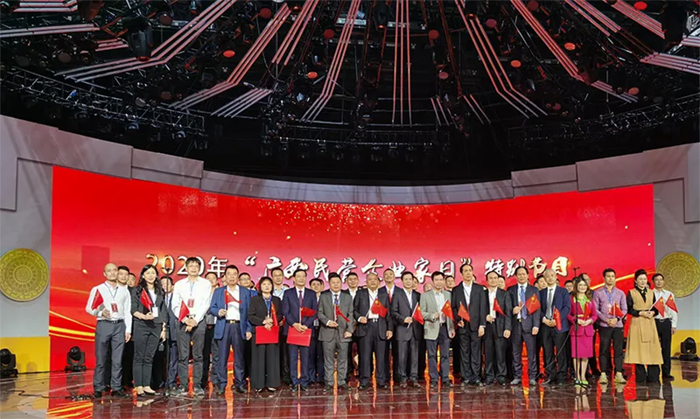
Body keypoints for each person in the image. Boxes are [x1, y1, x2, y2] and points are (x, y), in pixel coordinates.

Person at [86, 263, 132, 398]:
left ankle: (116, 387)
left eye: (114, 270)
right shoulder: (98, 289)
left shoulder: (124, 291)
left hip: (119, 325)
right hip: (104, 324)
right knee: (101, 358)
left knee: (117, 359)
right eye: (109, 271)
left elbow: (128, 311)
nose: (112, 273)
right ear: (104, 274)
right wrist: (100, 313)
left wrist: (128, 330)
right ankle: (98, 387)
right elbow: (89, 308)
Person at [171, 257, 213, 396]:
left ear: (200, 268)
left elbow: (206, 303)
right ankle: (183, 385)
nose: (194, 268)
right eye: (191, 266)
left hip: (198, 321)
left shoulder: (206, 284)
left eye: (196, 266)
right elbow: (175, 304)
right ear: (186, 268)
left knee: (198, 355)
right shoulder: (179, 284)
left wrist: (195, 320)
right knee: (183, 356)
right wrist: (185, 319)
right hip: (182, 321)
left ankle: (197, 385)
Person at [211, 265, 252, 394]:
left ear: (238, 276)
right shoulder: (219, 291)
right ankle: (222, 384)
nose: (232, 276)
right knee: (222, 358)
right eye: (229, 274)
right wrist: (218, 312)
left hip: (239, 326)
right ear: (225, 276)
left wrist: (249, 328)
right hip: (224, 325)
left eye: (234, 274)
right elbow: (212, 308)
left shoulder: (245, 292)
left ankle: (239, 383)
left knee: (239, 357)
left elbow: (250, 312)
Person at [131, 264, 167, 397]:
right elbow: (133, 309)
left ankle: (146, 385)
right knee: (139, 356)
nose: (151, 276)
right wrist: (144, 316)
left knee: (149, 356)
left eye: (153, 273)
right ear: (143, 276)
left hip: (156, 326)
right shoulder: (137, 290)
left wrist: (164, 328)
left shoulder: (160, 291)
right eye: (148, 273)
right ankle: (138, 385)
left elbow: (163, 310)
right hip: (141, 324)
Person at [354, 273, 393, 390]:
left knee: (381, 356)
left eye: (375, 279)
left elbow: (388, 313)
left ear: (379, 282)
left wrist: (389, 329)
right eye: (370, 279)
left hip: (380, 327)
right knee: (365, 356)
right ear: (366, 281)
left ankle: (381, 380)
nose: (372, 281)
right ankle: (364, 381)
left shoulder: (383, 295)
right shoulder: (360, 293)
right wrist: (359, 318)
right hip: (365, 326)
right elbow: (354, 309)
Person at [282, 269, 318, 393]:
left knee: (305, 357)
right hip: (292, 329)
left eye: (303, 276)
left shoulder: (311, 294)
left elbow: (314, 312)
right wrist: (295, 324)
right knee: (292, 358)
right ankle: (294, 382)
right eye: (298, 276)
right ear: (294, 279)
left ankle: (304, 381)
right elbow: (285, 311)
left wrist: (305, 325)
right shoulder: (288, 293)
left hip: (306, 330)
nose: (301, 278)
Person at [625, 269, 663, 384]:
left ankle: (653, 376)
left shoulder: (651, 293)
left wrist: (653, 312)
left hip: (650, 323)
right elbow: (629, 309)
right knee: (638, 350)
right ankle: (641, 377)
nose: (642, 281)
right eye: (640, 279)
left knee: (652, 349)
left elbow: (656, 307)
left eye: (644, 279)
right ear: (635, 281)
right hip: (637, 322)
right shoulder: (631, 293)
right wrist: (640, 313)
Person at [452, 263, 487, 387]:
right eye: (465, 271)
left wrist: (482, 325)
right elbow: (454, 307)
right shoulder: (456, 290)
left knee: (476, 352)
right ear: (461, 274)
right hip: (463, 325)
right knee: (464, 352)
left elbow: (483, 308)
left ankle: (476, 377)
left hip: (476, 325)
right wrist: (458, 319)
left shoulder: (479, 289)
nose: (468, 273)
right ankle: (466, 377)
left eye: (470, 270)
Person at [318, 274, 355, 391]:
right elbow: (319, 313)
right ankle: (329, 382)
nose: (336, 284)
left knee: (343, 359)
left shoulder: (347, 297)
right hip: (327, 332)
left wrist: (350, 330)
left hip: (344, 333)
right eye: (333, 282)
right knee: (328, 359)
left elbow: (350, 314)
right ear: (329, 283)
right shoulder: (323, 296)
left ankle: (341, 381)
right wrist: (328, 322)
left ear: (341, 283)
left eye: (338, 282)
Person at [248, 276, 283, 393]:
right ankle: (259, 384)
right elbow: (250, 316)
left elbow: (280, 314)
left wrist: (272, 321)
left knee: (272, 357)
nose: (267, 286)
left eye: (269, 284)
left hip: (272, 331)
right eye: (264, 284)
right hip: (259, 331)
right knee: (259, 357)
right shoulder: (254, 300)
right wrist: (263, 322)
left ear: (272, 286)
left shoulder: (276, 300)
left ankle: (272, 383)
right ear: (260, 287)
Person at [593, 268, 628, 384]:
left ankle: (618, 374)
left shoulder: (620, 293)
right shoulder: (598, 293)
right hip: (604, 325)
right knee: (604, 349)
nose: (610, 279)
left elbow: (624, 309)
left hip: (617, 325)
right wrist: (606, 320)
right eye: (608, 276)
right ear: (604, 278)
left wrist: (616, 319)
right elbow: (595, 310)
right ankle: (603, 374)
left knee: (618, 350)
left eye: (613, 276)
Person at [420, 271, 455, 388]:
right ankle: (434, 378)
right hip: (431, 327)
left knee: (445, 355)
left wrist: (452, 328)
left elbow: (451, 313)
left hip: (445, 327)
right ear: (433, 281)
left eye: (441, 280)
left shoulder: (448, 295)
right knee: (431, 355)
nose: (439, 282)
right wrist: (432, 316)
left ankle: (445, 378)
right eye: (437, 280)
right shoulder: (425, 295)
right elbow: (422, 313)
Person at [507, 266, 541, 386]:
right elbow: (507, 308)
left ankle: (532, 376)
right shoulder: (510, 290)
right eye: (519, 274)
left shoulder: (534, 290)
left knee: (531, 353)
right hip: (516, 325)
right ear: (515, 276)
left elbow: (537, 309)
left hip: (529, 325)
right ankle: (517, 376)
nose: (521, 276)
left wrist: (536, 325)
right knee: (516, 353)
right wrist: (513, 310)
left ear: (527, 275)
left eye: (523, 274)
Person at [539, 268, 571, 386]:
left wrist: (557, 320)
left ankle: (562, 376)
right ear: (545, 278)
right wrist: (544, 320)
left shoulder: (563, 291)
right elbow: (538, 308)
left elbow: (567, 307)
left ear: (556, 277)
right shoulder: (541, 292)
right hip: (546, 325)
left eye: (552, 275)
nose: (550, 278)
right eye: (548, 276)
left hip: (559, 325)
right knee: (548, 351)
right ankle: (550, 375)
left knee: (561, 352)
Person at [391, 271, 421, 388]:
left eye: (410, 279)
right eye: (406, 279)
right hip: (402, 329)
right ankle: (402, 378)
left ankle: (413, 377)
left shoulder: (417, 295)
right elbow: (393, 312)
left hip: (415, 330)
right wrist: (403, 319)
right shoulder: (397, 295)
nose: (408, 281)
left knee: (414, 356)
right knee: (401, 356)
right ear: (402, 281)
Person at [483, 271, 512, 385]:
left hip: (500, 325)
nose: (493, 280)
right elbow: (479, 310)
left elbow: (508, 312)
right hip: (487, 326)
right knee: (488, 353)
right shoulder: (483, 294)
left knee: (500, 353)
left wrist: (507, 328)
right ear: (487, 280)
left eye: (495, 278)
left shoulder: (504, 294)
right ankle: (489, 376)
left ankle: (501, 376)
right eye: (491, 278)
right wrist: (485, 317)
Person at [567, 277, 597, 387]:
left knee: (585, 355)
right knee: (576, 355)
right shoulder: (571, 299)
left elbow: (595, 315)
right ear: (576, 287)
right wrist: (575, 320)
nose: (582, 287)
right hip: (576, 329)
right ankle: (577, 377)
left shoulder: (590, 299)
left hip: (587, 329)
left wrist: (590, 321)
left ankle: (583, 376)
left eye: (584, 285)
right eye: (580, 285)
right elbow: (568, 314)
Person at [152, 275, 177, 391]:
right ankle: (158, 381)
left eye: (167, 283)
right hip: (159, 331)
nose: (164, 286)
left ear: (172, 285)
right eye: (161, 284)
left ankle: (171, 381)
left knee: (173, 357)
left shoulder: (177, 297)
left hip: (174, 330)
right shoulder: (156, 298)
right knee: (158, 358)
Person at [652, 273, 678, 381]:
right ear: (653, 281)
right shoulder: (650, 294)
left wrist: (674, 325)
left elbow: (673, 310)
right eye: (656, 280)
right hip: (654, 322)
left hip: (666, 322)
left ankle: (666, 373)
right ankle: (654, 373)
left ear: (663, 281)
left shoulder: (669, 294)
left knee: (666, 348)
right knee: (653, 348)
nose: (659, 282)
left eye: (661, 280)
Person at [271, 267, 291, 386]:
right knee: (274, 351)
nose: (278, 277)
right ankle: (275, 375)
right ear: (272, 277)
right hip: (272, 326)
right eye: (275, 275)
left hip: (286, 325)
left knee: (286, 352)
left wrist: (284, 320)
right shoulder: (268, 291)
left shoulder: (288, 291)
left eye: (280, 275)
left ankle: (286, 376)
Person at [116, 265, 134, 389]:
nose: (123, 277)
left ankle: (126, 381)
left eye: (126, 275)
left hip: (130, 328)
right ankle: (113, 382)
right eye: (121, 274)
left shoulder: (133, 291)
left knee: (128, 355)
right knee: (115, 356)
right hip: (115, 326)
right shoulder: (112, 289)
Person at [380, 268, 399, 383]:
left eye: (390, 274)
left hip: (399, 326)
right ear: (383, 277)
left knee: (398, 352)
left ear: (394, 276)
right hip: (384, 326)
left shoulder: (400, 291)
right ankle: (385, 376)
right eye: (386, 274)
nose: (388, 276)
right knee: (384, 352)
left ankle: (397, 376)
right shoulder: (379, 291)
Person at [202, 272, 220, 390]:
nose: (211, 280)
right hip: (204, 326)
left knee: (217, 354)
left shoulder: (220, 294)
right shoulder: (202, 293)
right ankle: (203, 380)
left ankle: (215, 379)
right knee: (204, 355)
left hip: (217, 326)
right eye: (208, 278)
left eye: (213, 278)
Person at [308, 277, 326, 386]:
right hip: (310, 328)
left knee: (321, 353)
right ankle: (311, 377)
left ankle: (321, 377)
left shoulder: (325, 298)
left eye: (318, 284)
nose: (316, 286)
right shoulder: (307, 298)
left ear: (322, 286)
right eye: (313, 284)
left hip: (323, 328)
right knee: (310, 354)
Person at [344, 272, 361, 383]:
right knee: (347, 350)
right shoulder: (343, 293)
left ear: (358, 280)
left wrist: (357, 322)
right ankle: (348, 371)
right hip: (346, 327)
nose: (353, 281)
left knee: (362, 349)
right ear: (346, 281)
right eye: (350, 279)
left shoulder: (363, 293)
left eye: (355, 279)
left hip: (361, 326)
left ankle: (361, 370)